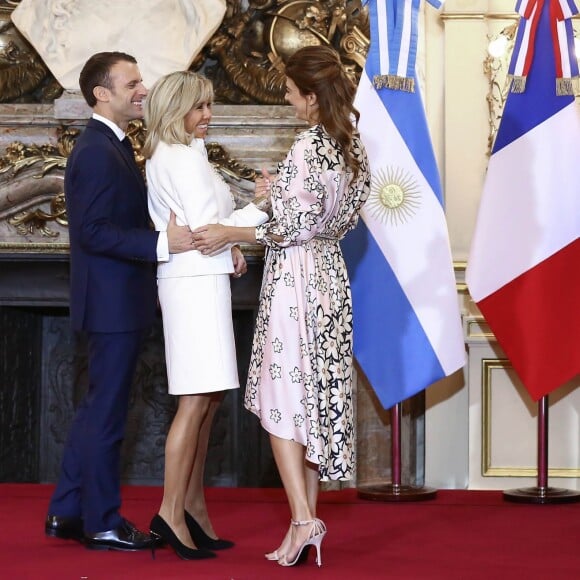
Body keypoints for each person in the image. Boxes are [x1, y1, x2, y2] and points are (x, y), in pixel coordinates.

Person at [191, 45, 371, 568]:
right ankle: (305, 519)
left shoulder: (309, 146)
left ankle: (302, 520)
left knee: (281, 398)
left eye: (292, 93)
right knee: (308, 402)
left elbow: (292, 228)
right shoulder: (350, 144)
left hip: (296, 283)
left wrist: (229, 230)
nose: (290, 102)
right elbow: (328, 216)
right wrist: (275, 195)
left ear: (312, 96)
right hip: (330, 279)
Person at [45, 51, 194, 551]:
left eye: (141, 80)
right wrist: (162, 244)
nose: (143, 89)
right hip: (112, 305)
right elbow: (92, 232)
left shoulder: (111, 145)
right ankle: (102, 522)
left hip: (116, 302)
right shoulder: (93, 151)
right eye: (131, 83)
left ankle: (67, 511)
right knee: (106, 415)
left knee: (94, 410)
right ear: (100, 94)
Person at [142, 70, 270, 560]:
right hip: (191, 285)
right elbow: (202, 230)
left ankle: (192, 507)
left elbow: (211, 230)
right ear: (176, 109)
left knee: (209, 398)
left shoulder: (188, 156)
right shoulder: (177, 157)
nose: (207, 116)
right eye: (199, 107)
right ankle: (170, 513)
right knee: (194, 401)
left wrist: (228, 242)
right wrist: (259, 207)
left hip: (201, 279)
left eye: (210, 105)